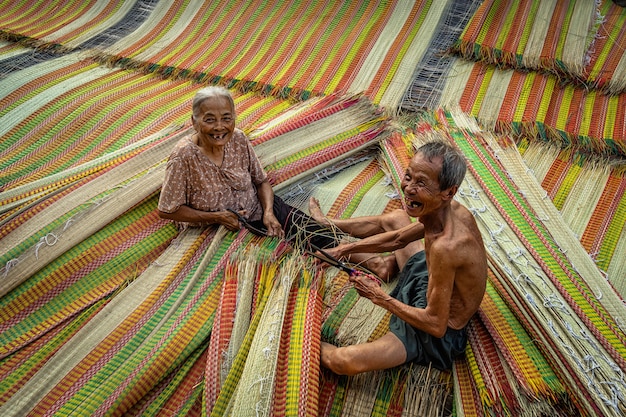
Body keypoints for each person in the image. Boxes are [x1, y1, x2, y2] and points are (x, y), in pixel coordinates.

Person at [309, 140, 487, 374]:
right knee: (395, 217)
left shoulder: (448, 247)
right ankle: (330, 225)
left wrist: (379, 296)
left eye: (421, 183)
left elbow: (436, 325)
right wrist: (343, 250)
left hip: (434, 329)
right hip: (430, 278)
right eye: (409, 176)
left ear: (449, 192)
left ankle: (296, 340)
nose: (408, 188)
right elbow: (397, 239)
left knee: (344, 361)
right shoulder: (451, 210)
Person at [158, 86, 335, 250]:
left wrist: (268, 213)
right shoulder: (184, 156)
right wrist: (217, 217)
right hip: (217, 230)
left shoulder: (238, 139)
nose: (219, 127)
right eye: (210, 120)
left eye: (226, 118)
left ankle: (327, 228)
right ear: (194, 122)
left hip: (259, 211)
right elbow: (168, 210)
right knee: (279, 258)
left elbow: (261, 181)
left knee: (324, 240)